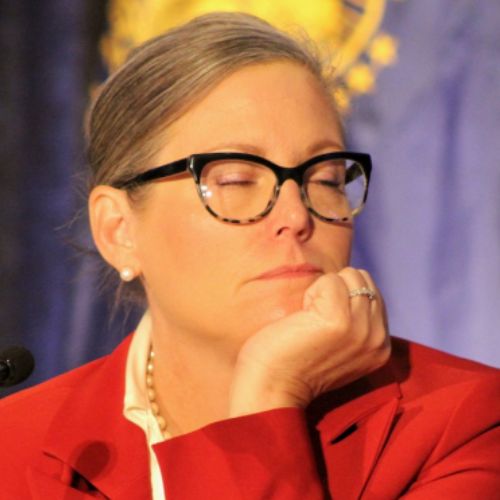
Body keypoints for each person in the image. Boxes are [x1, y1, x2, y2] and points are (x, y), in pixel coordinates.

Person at [1, 11, 498, 500]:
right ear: (118, 230)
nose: (296, 215)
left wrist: (267, 398)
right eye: (236, 180)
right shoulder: (14, 447)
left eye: (324, 179)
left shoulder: (468, 422)